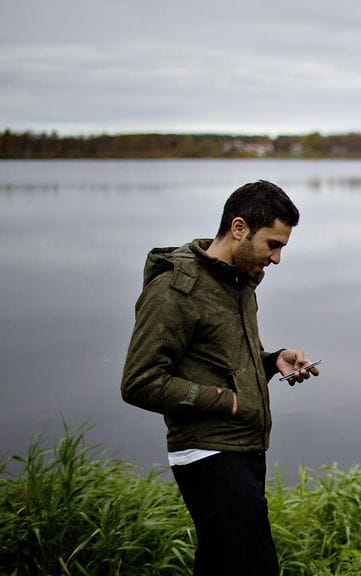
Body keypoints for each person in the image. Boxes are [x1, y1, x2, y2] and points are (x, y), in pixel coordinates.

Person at [121, 180, 320, 575]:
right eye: (273, 244)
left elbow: (220, 359)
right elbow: (139, 381)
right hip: (208, 453)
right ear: (239, 228)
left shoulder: (238, 281)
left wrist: (272, 361)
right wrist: (226, 400)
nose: (277, 258)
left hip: (241, 448)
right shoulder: (176, 290)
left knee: (220, 563)